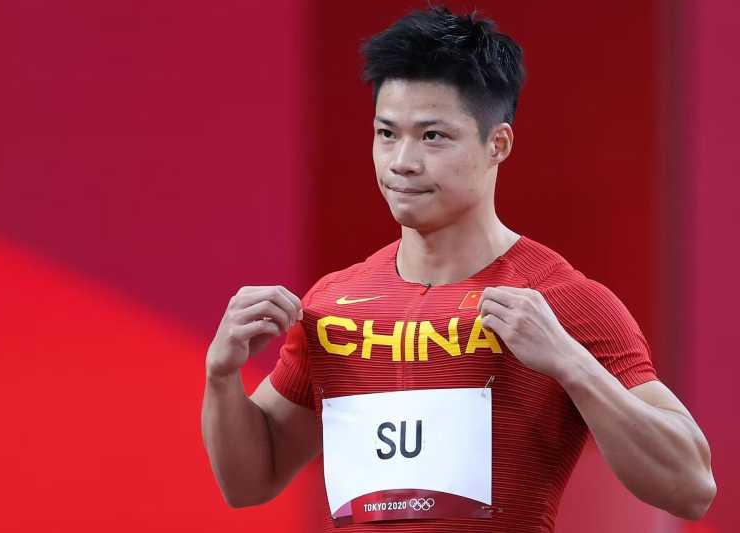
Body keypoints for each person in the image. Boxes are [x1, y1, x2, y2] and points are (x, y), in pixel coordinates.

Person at [201, 6, 716, 532]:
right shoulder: (332, 305)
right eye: (386, 133)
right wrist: (221, 376)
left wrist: (570, 363)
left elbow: (691, 486)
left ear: (498, 144)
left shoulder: (558, 301)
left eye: (433, 136)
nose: (402, 161)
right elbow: (250, 481)